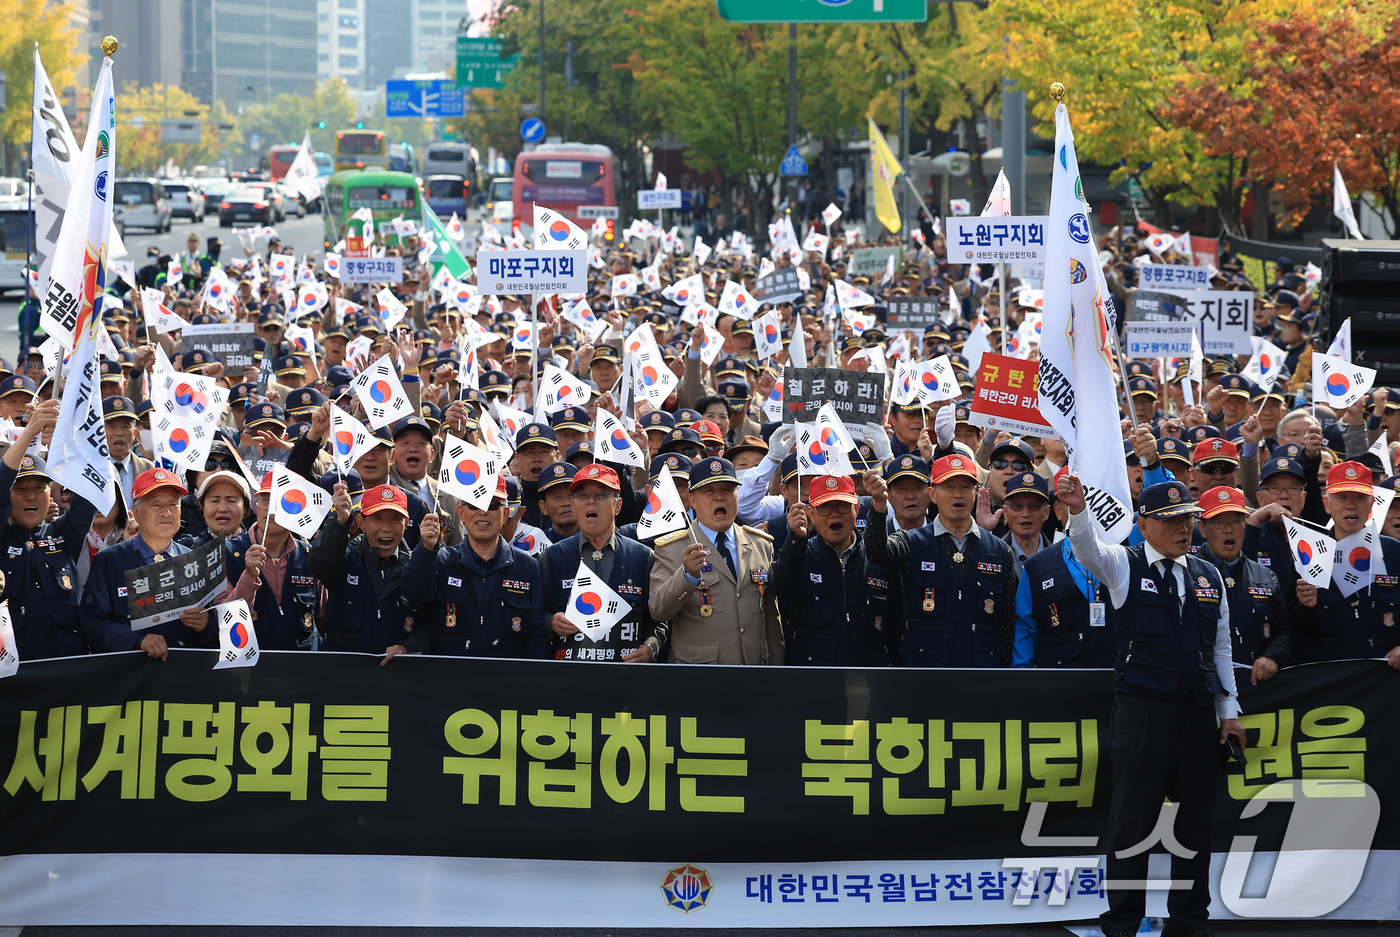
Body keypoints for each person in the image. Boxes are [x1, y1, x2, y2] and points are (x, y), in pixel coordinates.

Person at [1057, 474, 1244, 937]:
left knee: (1194, 827)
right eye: (1171, 520)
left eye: (1188, 519)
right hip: (1142, 714)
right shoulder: (1124, 563)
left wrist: (1230, 712)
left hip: (1197, 715)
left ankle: (1189, 922)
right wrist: (1079, 512)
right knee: (1132, 823)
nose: (1184, 528)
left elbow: (1219, 650)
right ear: (1144, 525)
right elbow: (1086, 552)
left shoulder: (1209, 574)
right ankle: (1121, 924)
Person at [864, 454, 1018, 667]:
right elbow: (877, 552)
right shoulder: (912, 541)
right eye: (949, 486)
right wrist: (879, 506)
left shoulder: (999, 551)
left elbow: (1008, 624)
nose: (958, 494)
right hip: (924, 676)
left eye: (966, 486)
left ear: (976, 492)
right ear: (933, 494)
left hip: (982, 677)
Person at [392, 475, 550, 659]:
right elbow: (412, 594)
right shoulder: (442, 561)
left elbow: (537, 635)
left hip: (507, 682)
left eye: (492, 505)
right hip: (451, 680)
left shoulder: (527, 568)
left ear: (506, 514)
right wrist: (426, 549)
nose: (483, 512)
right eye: (475, 504)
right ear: (461, 513)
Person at [649, 457, 782, 664]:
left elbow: (772, 619)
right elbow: (658, 610)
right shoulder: (672, 549)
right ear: (692, 499)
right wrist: (686, 576)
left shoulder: (760, 544)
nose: (720, 497)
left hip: (755, 672)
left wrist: (777, 669)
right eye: (709, 491)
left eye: (728, 490)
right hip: (700, 677)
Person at [80, 468, 218, 659]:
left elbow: (212, 637)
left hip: (183, 676)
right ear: (135, 512)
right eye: (156, 504)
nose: (167, 512)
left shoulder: (194, 561)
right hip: (131, 678)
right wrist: (138, 640)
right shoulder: (109, 561)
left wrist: (205, 626)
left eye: (173, 504)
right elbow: (92, 626)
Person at [0, 400, 99, 657]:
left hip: (63, 671)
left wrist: (63, 439)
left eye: (39, 488)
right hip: (13, 673)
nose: (30, 497)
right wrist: (30, 431)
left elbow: (88, 487)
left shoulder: (64, 533)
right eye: (20, 489)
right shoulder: (3, 536)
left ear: (51, 493)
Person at [542, 464, 664, 662]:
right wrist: (550, 622)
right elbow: (534, 616)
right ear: (573, 506)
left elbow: (659, 620)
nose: (591, 501)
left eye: (601, 495)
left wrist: (651, 647)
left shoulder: (643, 557)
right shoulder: (552, 557)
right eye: (582, 496)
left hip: (624, 680)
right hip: (568, 681)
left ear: (618, 505)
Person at [773, 474, 897, 665]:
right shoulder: (799, 554)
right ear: (811, 514)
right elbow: (782, 588)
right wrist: (795, 539)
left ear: (856, 509)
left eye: (842, 506)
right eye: (824, 508)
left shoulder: (876, 556)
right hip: (815, 678)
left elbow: (895, 623)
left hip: (870, 676)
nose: (834, 514)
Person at [1294, 460, 1400, 666]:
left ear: (1371, 504)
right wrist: (1306, 607)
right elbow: (1294, 630)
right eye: (1342, 497)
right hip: (1333, 683)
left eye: (1359, 498)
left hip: (1386, 678)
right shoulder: (1310, 552)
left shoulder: (1393, 552)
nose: (1351, 505)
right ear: (1327, 504)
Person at [1195, 485, 1292, 682]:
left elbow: (1285, 630)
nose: (1229, 529)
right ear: (1202, 528)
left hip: (1257, 688)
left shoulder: (1265, 576)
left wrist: (1273, 656)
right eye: (1220, 522)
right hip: (1203, 687)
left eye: (1237, 521)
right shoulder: (1185, 575)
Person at [310, 482, 419, 654]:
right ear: (361, 522)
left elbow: (430, 621)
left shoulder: (415, 568)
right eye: (378, 518)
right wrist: (339, 523)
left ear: (406, 523)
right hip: (344, 673)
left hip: (394, 674)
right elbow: (319, 562)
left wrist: (407, 646)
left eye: (395, 519)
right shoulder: (345, 559)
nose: (386, 528)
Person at [223, 472, 320, 650]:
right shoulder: (228, 553)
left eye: (281, 501)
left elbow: (323, 617)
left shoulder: (310, 556)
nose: (270, 508)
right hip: (251, 669)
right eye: (265, 499)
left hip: (304, 668)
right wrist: (249, 577)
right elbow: (225, 619)